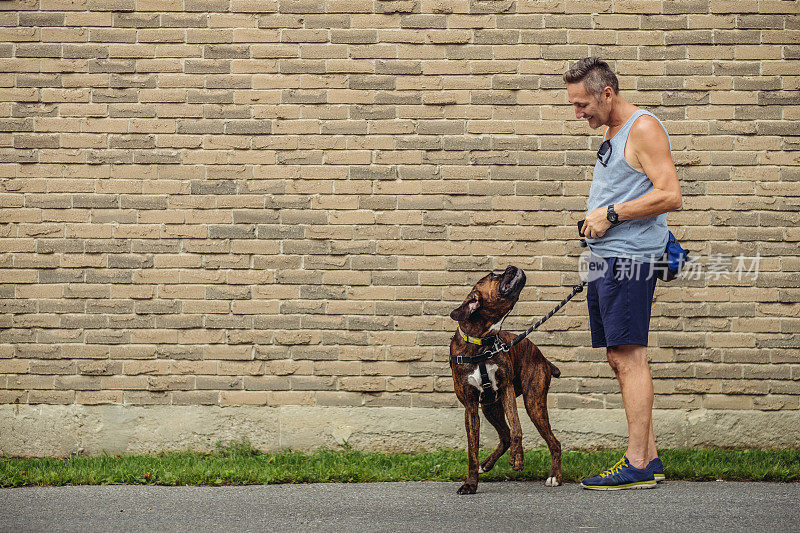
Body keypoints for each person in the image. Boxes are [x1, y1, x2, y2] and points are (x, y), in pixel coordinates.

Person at [564, 57, 682, 490]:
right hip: (608, 260)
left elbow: (670, 194)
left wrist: (610, 214)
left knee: (629, 357)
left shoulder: (643, 128)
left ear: (607, 93)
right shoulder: (613, 132)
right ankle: (648, 457)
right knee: (619, 357)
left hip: (629, 261)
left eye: (582, 105)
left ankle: (636, 465)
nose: (578, 114)